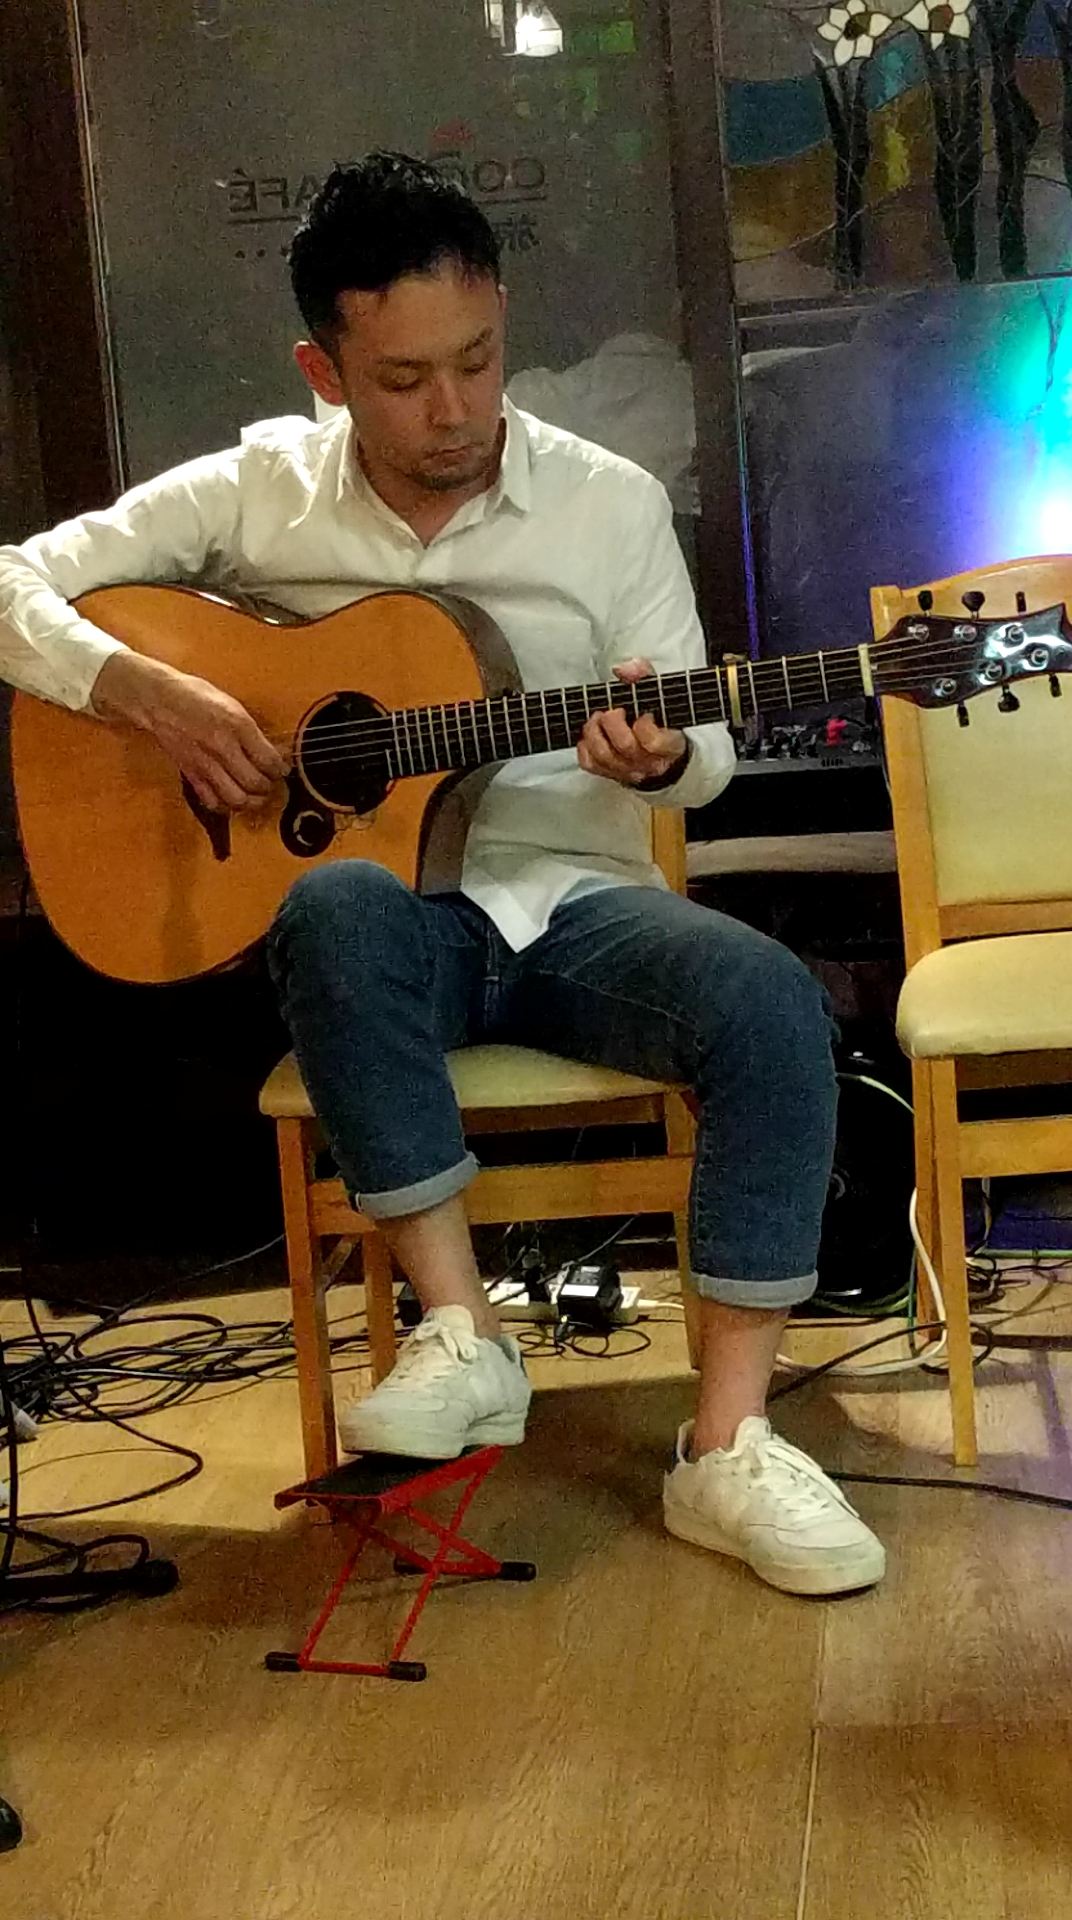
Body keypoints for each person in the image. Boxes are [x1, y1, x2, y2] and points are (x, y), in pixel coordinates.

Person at [0, 153, 885, 1597]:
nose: (456, 409)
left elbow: (709, 752)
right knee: (337, 903)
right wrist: (144, 693)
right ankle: (462, 1334)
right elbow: (8, 582)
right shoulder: (258, 491)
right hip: (388, 932)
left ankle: (727, 1444)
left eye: (477, 361)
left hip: (578, 904)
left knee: (771, 1001)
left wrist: (665, 758)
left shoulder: (605, 503)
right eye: (405, 380)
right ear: (324, 371)